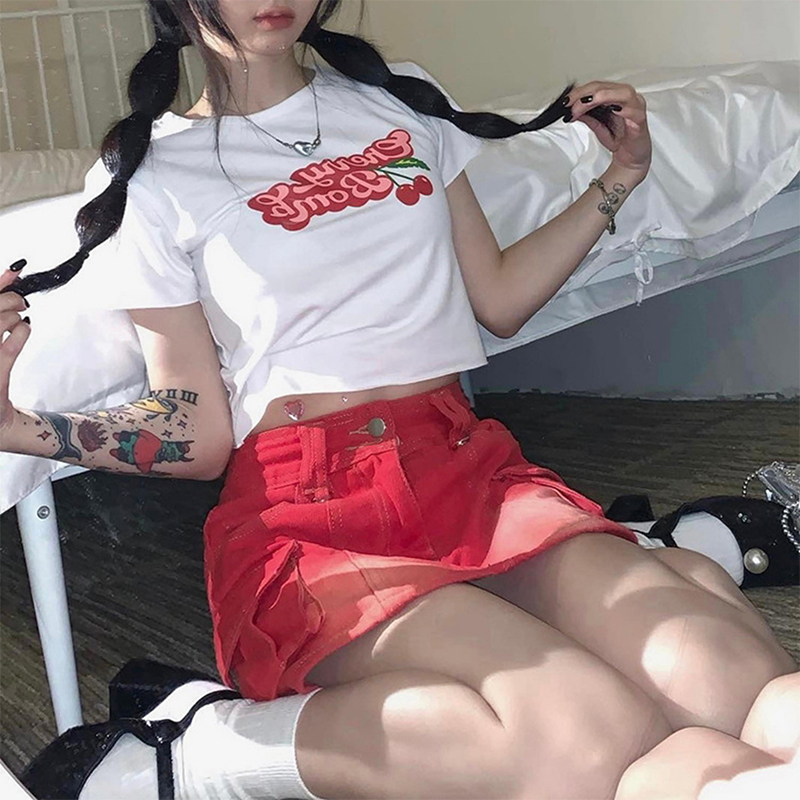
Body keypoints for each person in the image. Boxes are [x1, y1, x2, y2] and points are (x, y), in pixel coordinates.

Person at [1, 1, 797, 798]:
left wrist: (620, 177)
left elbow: (499, 298)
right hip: (309, 514)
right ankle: (198, 752)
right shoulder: (151, 174)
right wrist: (18, 426)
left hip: (465, 468)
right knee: (582, 733)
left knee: (722, 674)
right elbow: (197, 426)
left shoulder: (396, 99)